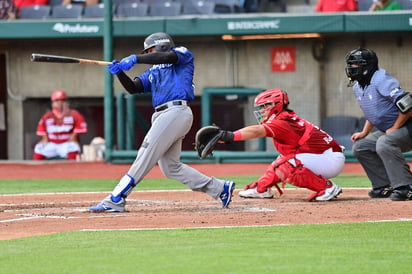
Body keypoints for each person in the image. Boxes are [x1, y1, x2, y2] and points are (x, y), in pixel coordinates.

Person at [89, 32, 235, 213]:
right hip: (163, 115)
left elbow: (165, 57)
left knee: (145, 154)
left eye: (150, 50)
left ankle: (116, 198)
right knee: (170, 168)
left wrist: (135, 58)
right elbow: (134, 88)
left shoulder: (181, 54)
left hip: (175, 111)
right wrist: (120, 73)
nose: (148, 53)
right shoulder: (153, 71)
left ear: (161, 45)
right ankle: (220, 188)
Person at [212, 88, 345, 201]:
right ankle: (262, 189)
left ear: (276, 105)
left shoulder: (281, 122)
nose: (262, 110)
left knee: (287, 165)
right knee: (281, 161)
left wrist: (229, 136)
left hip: (329, 158)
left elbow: (257, 131)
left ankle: (327, 188)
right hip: (325, 155)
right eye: (261, 107)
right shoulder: (284, 118)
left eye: (265, 106)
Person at [345, 48, 412, 201]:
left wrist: (394, 128)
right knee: (361, 146)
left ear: (368, 66)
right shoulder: (358, 86)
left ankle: (406, 186)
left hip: (408, 124)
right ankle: (384, 185)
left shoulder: (381, 78)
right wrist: (364, 132)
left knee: (384, 142)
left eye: (356, 64)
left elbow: (407, 103)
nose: (352, 68)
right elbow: (374, 112)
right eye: (351, 65)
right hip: (392, 128)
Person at [33, 90, 88, 160]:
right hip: (52, 143)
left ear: (66, 102)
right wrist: (45, 138)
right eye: (57, 101)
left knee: (74, 147)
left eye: (62, 101)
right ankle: (35, 169)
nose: (60, 103)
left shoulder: (74, 114)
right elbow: (42, 131)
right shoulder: (47, 116)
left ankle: (74, 168)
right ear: (52, 103)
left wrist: (74, 136)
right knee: (39, 148)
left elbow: (80, 127)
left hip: (66, 143)